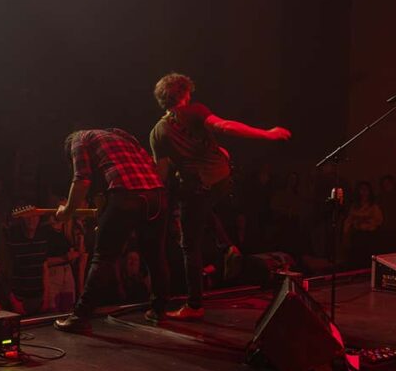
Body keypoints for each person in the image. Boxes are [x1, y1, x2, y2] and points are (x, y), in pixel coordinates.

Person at [148, 73, 291, 320]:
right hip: (221, 179)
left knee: (189, 245)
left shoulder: (156, 133)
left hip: (198, 186)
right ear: (184, 93)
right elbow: (224, 126)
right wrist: (266, 134)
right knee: (200, 207)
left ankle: (195, 304)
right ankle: (227, 247)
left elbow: (161, 173)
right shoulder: (194, 111)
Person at [54, 128, 170, 331]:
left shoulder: (78, 140)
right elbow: (153, 166)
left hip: (127, 196)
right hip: (158, 196)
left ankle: (80, 317)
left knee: (104, 257)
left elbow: (82, 179)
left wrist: (67, 212)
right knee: (155, 256)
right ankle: (159, 310)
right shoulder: (122, 134)